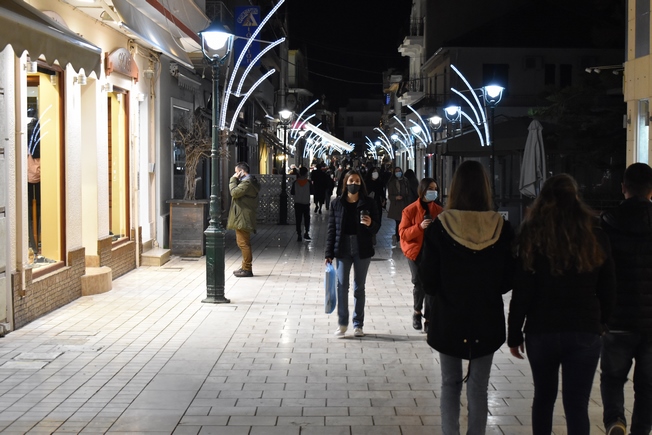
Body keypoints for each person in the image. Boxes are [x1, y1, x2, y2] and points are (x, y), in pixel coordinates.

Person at [508, 174, 616, 435]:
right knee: (577, 405)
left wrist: (514, 333)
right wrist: (603, 322)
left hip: (541, 330)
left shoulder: (531, 236)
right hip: (584, 329)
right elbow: (609, 286)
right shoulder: (595, 236)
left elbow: (522, 291)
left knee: (543, 399)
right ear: (576, 199)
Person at [418, 160, 514, 435]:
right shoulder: (502, 228)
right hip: (487, 318)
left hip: (448, 317)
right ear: (485, 188)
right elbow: (507, 280)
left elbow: (428, 281)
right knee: (479, 387)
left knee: (450, 384)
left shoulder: (440, 227)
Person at [599, 163, 652, 435]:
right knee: (647, 386)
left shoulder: (608, 222)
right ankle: (640, 430)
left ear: (623, 188)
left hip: (617, 316)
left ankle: (615, 420)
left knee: (612, 378)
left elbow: (599, 269)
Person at [325, 170, 381, 338]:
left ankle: (358, 324)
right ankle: (342, 323)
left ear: (361, 183)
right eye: (351, 180)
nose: (354, 184)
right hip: (343, 248)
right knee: (342, 285)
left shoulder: (369, 203)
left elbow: (377, 227)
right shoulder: (337, 203)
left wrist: (370, 224)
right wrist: (328, 253)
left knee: (359, 287)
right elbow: (332, 229)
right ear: (345, 183)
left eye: (357, 181)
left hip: (362, 247)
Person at [399, 177, 443, 332]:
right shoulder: (410, 210)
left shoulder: (439, 211)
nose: (433, 192)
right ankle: (417, 312)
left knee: (430, 285)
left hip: (432, 252)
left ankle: (429, 318)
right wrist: (420, 227)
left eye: (435, 189)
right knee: (418, 283)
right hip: (415, 251)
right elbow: (403, 233)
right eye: (430, 189)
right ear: (422, 190)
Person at [227, 162, 260, 278]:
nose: (235, 174)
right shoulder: (248, 182)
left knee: (243, 243)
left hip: (243, 216)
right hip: (243, 215)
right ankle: (245, 266)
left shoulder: (247, 183)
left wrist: (233, 180)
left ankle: (247, 269)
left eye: (236, 172)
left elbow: (234, 193)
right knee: (244, 242)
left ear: (241, 171)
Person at [387, 166, 410, 246]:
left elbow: (408, 192)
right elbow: (390, 196)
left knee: (404, 222)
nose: (398, 173)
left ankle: (403, 237)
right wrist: (396, 197)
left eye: (399, 171)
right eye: (396, 171)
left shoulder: (405, 181)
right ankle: (398, 238)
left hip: (405, 204)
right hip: (396, 206)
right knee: (398, 222)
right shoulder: (392, 182)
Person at [291, 166, 312, 242]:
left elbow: (292, 192)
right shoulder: (308, 182)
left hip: (297, 203)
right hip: (306, 203)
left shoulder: (295, 183)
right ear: (306, 173)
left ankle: (299, 234)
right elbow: (312, 191)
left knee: (298, 219)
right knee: (307, 219)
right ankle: (306, 232)